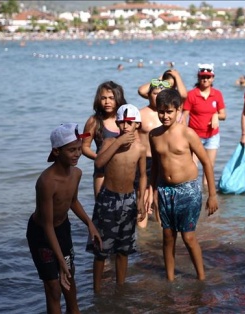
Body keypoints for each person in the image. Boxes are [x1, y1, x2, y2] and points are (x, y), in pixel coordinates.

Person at [26, 123, 102, 313]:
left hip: (62, 229)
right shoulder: (46, 182)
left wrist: (90, 224)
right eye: (71, 150)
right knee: (53, 287)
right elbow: (47, 224)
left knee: (69, 280)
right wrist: (60, 260)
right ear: (57, 151)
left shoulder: (76, 173)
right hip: (42, 234)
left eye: (78, 149)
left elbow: (73, 201)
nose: (77, 154)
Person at [149, 88, 219, 281]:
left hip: (188, 190)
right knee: (168, 236)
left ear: (179, 110)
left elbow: (206, 162)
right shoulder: (154, 135)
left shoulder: (188, 133)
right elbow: (155, 165)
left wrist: (212, 194)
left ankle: (201, 278)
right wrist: (153, 192)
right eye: (161, 111)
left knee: (188, 237)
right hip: (164, 190)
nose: (164, 116)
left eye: (169, 111)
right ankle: (170, 280)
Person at [86, 104, 147, 293]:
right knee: (101, 249)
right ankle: (96, 290)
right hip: (108, 200)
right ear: (117, 124)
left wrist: (141, 200)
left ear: (137, 124)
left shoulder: (140, 148)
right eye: (122, 122)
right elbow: (99, 163)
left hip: (128, 200)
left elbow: (143, 175)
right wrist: (119, 143)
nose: (126, 126)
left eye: (130, 123)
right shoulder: (109, 143)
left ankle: (120, 287)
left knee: (123, 248)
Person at [182, 64, 227, 185]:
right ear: (198, 77)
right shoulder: (191, 94)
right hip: (194, 136)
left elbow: (224, 115)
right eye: (203, 77)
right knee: (192, 166)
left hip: (212, 136)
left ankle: (207, 194)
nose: (205, 79)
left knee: (209, 166)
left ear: (213, 78)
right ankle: (193, 192)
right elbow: (184, 115)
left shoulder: (217, 94)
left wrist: (216, 115)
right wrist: (182, 132)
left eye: (208, 76)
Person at [82, 81, 127, 198]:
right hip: (102, 173)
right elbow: (84, 147)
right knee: (101, 210)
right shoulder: (94, 121)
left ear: (118, 98)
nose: (107, 102)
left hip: (125, 172)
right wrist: (99, 158)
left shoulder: (126, 120)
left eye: (111, 98)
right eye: (103, 98)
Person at [137, 79, 173, 228]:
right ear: (148, 95)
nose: (157, 97)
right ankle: (142, 235)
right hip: (145, 160)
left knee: (159, 197)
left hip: (163, 160)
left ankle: (159, 232)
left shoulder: (167, 115)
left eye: (160, 94)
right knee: (143, 197)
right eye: (154, 93)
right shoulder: (140, 114)